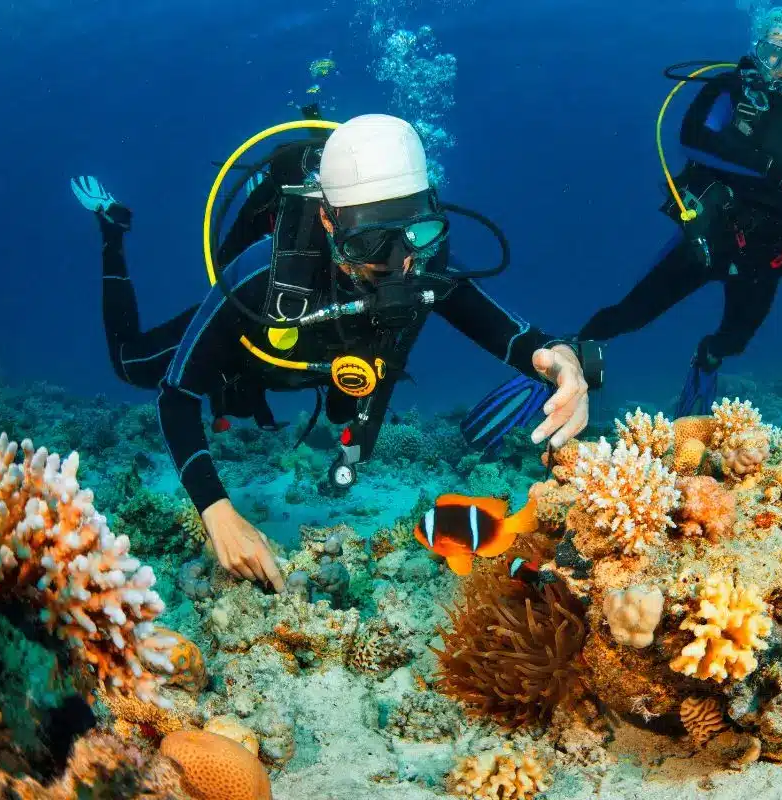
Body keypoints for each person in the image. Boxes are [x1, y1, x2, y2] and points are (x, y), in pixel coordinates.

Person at [71, 113, 604, 591]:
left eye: (414, 233)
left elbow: (516, 339)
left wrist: (563, 360)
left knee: (354, 400)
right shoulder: (261, 273)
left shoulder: (426, 263)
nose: (397, 264)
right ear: (328, 221)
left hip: (344, 368)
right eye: (368, 243)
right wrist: (217, 510)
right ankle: (111, 232)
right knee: (132, 364)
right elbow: (176, 395)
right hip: (252, 353)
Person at [577, 5, 782, 416]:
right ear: (757, 55)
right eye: (773, 53)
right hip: (707, 237)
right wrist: (774, 168)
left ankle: (704, 364)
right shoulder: (731, 91)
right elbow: (692, 138)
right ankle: (563, 358)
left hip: (770, 257)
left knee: (733, 340)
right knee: (630, 314)